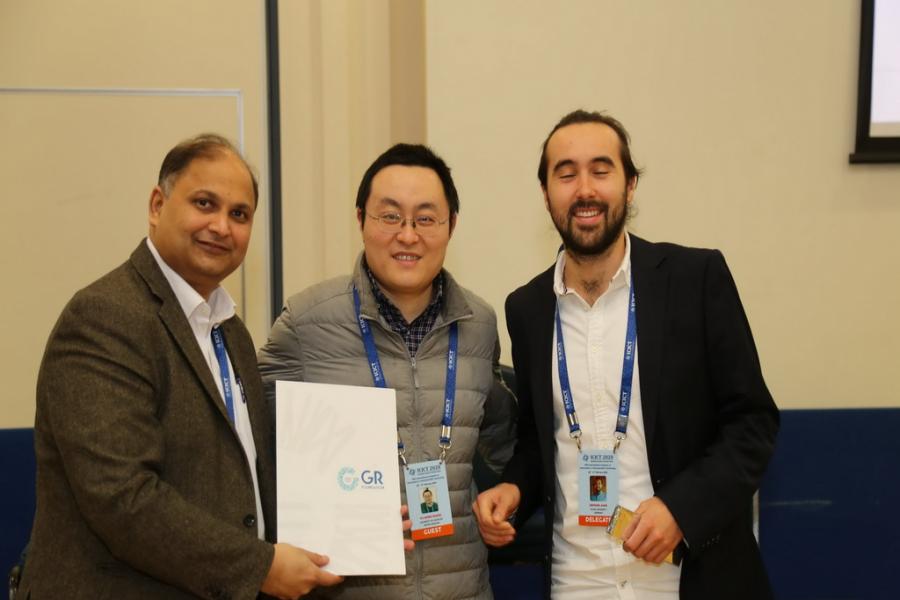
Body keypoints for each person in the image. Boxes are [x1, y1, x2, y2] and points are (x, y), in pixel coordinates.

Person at [19, 134, 345, 599]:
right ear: (158, 205)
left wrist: (348, 522)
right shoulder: (105, 316)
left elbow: (248, 479)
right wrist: (259, 568)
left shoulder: (229, 331)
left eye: (239, 214)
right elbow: (123, 498)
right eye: (204, 203)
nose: (221, 226)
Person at [474, 110, 779, 599]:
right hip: (577, 581)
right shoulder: (527, 308)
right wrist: (514, 488)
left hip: (687, 578)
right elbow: (538, 440)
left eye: (601, 170)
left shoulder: (695, 280)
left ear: (630, 185)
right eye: (566, 174)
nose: (584, 190)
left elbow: (753, 424)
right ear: (546, 193)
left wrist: (681, 510)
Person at [258, 143, 516, 599]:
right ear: (361, 219)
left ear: (451, 225)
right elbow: (248, 450)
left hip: (461, 588)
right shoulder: (305, 322)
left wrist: (508, 496)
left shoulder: (479, 324)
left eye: (426, 218)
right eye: (390, 216)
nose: (408, 235)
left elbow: (503, 439)